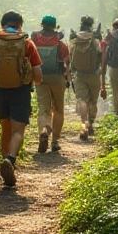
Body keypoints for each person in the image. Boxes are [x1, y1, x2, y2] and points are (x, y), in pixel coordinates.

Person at [0, 10, 43, 188]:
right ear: (20, 25)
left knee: (5, 127)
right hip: (21, 90)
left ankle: (5, 162)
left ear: (2, 24)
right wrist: (34, 81)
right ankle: (10, 159)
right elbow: (37, 74)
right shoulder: (27, 43)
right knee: (18, 130)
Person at [30, 15, 70, 153]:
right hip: (57, 78)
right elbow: (67, 63)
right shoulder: (60, 43)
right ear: (55, 26)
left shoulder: (35, 41)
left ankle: (43, 132)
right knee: (58, 109)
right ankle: (55, 142)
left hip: (40, 77)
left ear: (42, 25)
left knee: (43, 108)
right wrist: (68, 79)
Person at [69, 16, 104, 140]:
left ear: (81, 24)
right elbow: (100, 54)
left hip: (79, 75)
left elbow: (71, 55)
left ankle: (84, 124)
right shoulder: (94, 39)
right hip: (94, 74)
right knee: (93, 101)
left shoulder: (76, 38)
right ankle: (91, 124)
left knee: (82, 99)